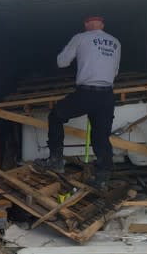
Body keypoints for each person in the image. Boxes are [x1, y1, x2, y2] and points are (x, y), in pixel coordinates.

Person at [32, 16, 121, 189]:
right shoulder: (115, 42)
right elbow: (115, 72)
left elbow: (62, 62)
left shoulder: (80, 38)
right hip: (107, 95)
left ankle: (55, 160)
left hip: (87, 93)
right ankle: (102, 178)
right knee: (101, 136)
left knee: (56, 116)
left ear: (86, 24)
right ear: (103, 25)